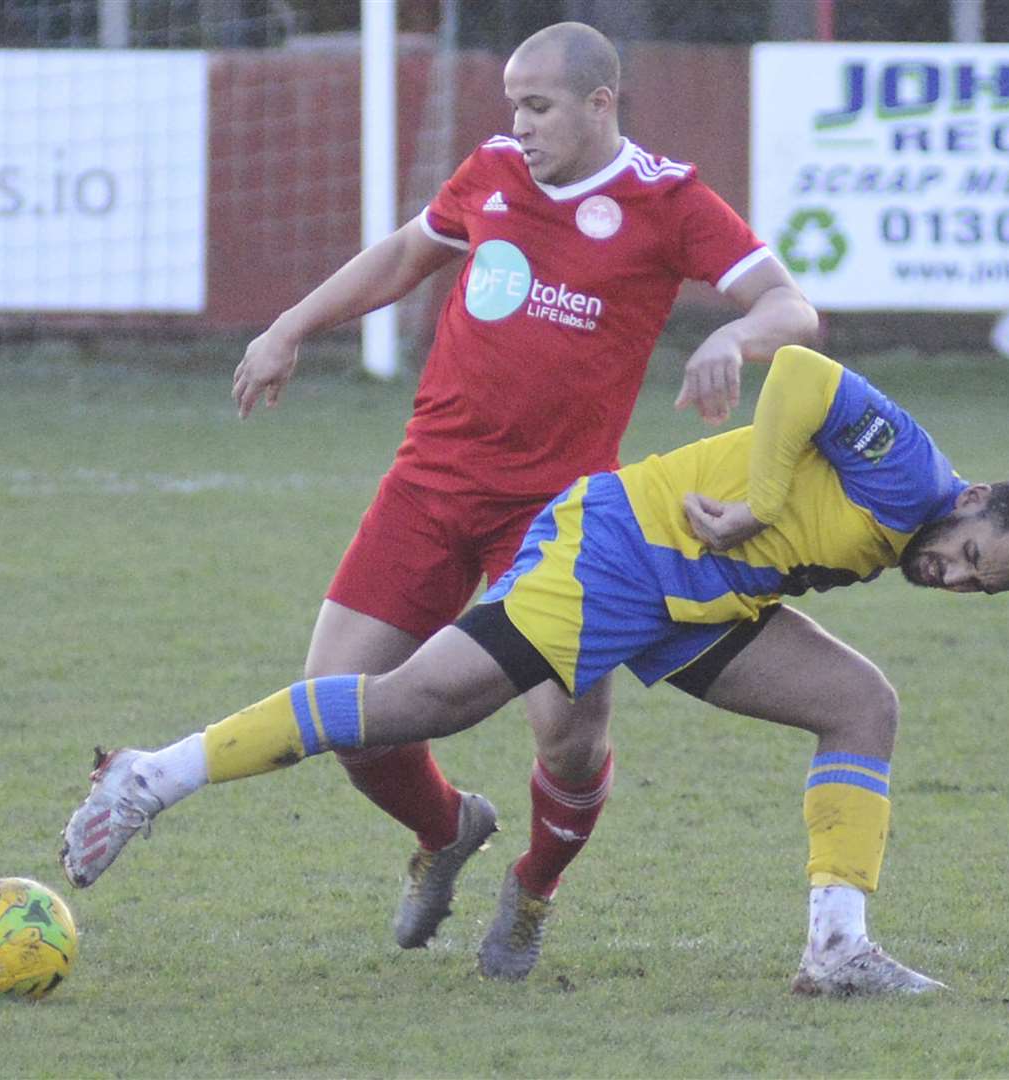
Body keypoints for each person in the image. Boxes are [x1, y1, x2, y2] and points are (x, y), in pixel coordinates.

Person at [61, 344, 1009, 996]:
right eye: (970, 556)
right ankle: (153, 776)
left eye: (977, 590)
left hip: (700, 601)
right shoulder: (911, 469)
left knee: (859, 705)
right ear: (972, 498)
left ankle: (837, 948)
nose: (951, 579)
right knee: (421, 703)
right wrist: (761, 498)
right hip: (620, 550)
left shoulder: (911, 532)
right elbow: (803, 370)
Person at [226, 22, 818, 976]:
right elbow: (405, 254)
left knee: (569, 737)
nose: (520, 124)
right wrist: (291, 326)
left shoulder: (667, 201)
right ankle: (449, 827)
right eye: (512, 104)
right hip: (427, 486)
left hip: (560, 516)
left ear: (599, 103)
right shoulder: (493, 170)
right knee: (342, 713)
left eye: (538, 106)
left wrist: (735, 338)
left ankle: (534, 889)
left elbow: (791, 306)